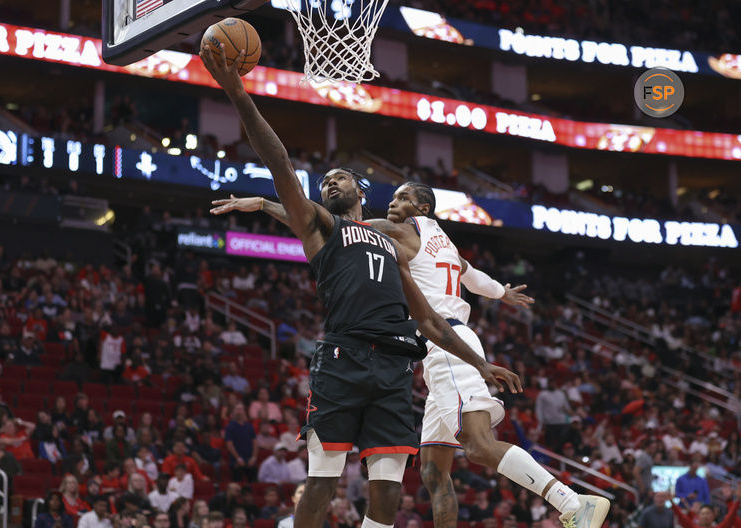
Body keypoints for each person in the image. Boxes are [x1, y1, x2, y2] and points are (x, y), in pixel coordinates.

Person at [203, 43, 516, 528]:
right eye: (324, 180)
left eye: (338, 177)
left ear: (360, 191)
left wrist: (480, 362)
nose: (329, 182)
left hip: (393, 367)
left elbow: (429, 319)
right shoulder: (323, 230)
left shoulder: (389, 243)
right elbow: (280, 162)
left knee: (387, 496)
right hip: (343, 359)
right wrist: (236, 90)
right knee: (323, 481)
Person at [230, 182, 608, 528]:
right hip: (440, 351)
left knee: (478, 445)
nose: (394, 203)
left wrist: (266, 204)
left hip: (446, 347)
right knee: (432, 470)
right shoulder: (446, 245)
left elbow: (324, 224)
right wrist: (501, 293)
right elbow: (474, 277)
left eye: (403, 198)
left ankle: (572, 503)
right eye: (392, 199)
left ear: (423, 207)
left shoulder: (401, 231)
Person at [224, 404, 257, 481]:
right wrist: (238, 458)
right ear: (233, 412)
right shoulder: (230, 427)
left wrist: (254, 457)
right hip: (236, 461)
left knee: (253, 482)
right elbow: (229, 444)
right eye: (237, 409)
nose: (239, 411)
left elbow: (255, 443)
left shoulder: (249, 426)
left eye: (241, 409)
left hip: (250, 460)